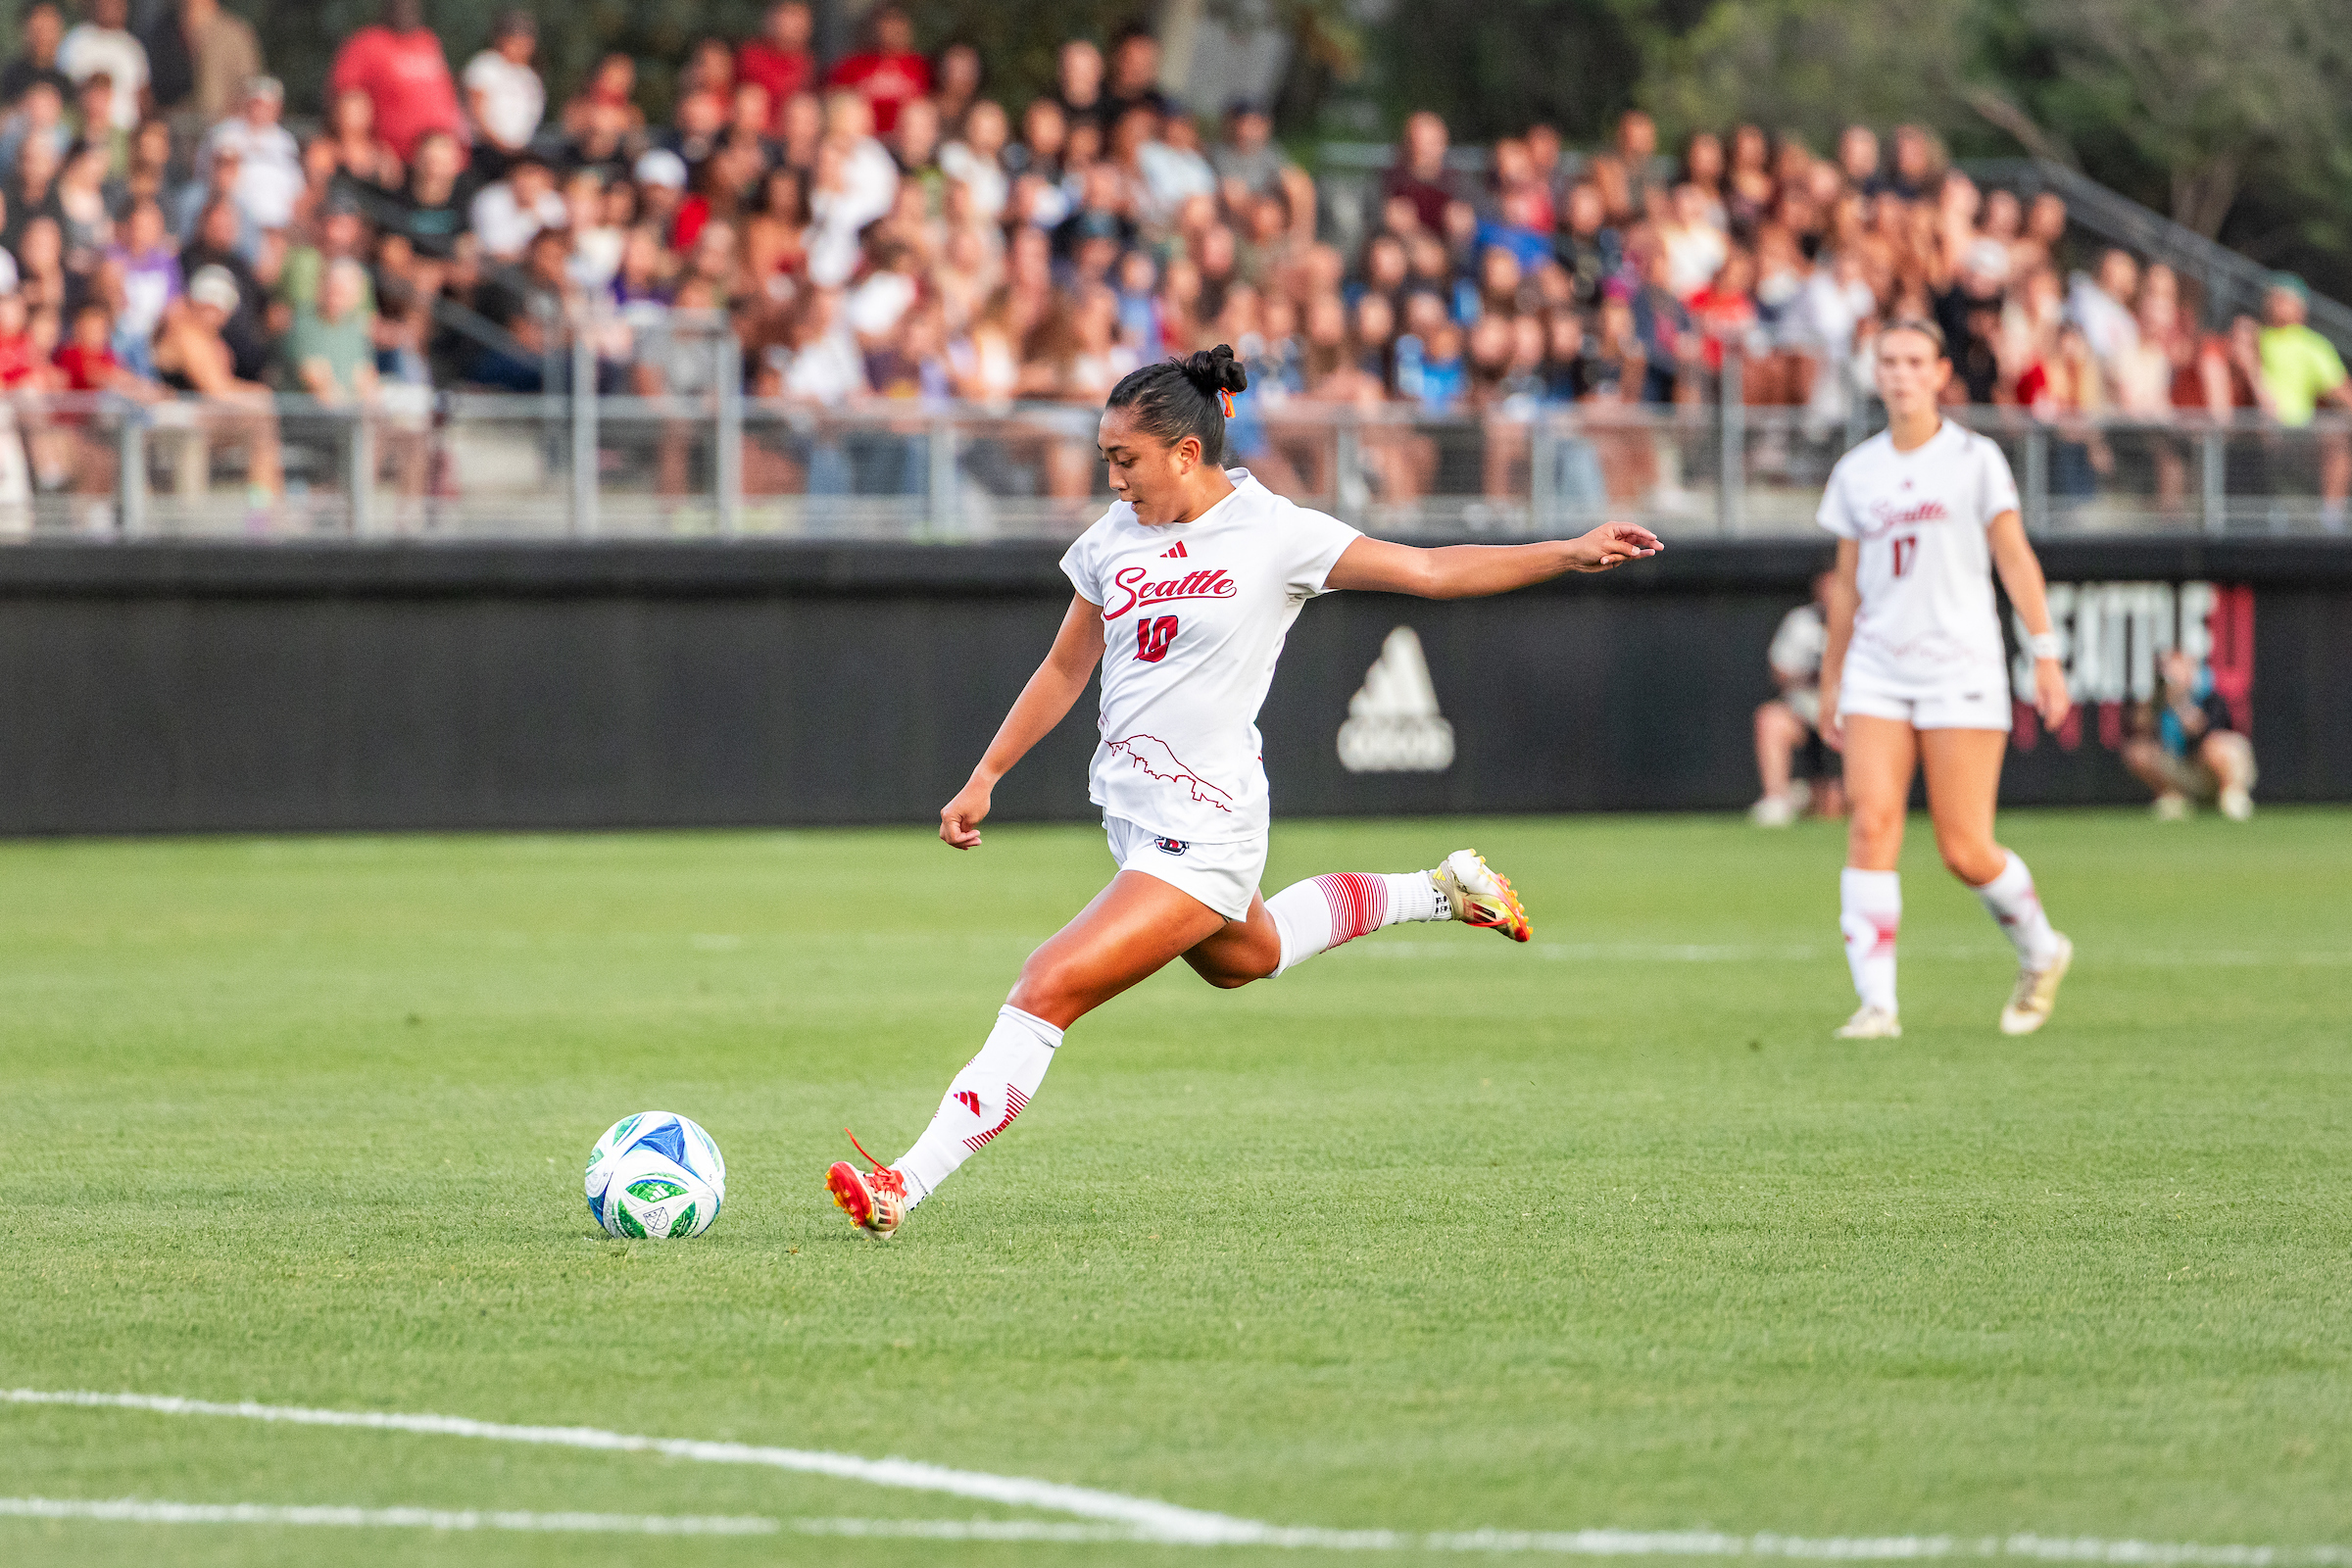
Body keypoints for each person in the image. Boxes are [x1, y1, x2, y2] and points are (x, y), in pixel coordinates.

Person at [820, 344, 1664, 1238]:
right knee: (1246, 959)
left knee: (1046, 987)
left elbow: (1428, 570)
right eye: (1107, 458)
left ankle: (901, 1186)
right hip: (1136, 825)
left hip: (1209, 826)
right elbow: (1066, 667)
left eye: (1124, 460)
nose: (1112, 479)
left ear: (1185, 454)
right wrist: (986, 774)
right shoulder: (1110, 543)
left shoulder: (1275, 533)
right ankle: (1441, 890)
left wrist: (1567, 551)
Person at [1816, 318, 2074, 1041]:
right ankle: (1877, 1005)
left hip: (1961, 666)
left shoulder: (1974, 459)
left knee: (1964, 848)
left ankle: (2041, 950)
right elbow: (1846, 585)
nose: (1900, 374)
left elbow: (2014, 558)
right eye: (1888, 361)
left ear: (1939, 374)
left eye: (1914, 361)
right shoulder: (1857, 471)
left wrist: (2045, 652)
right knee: (1871, 825)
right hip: (1877, 668)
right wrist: (1832, 678)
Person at [2255, 275, 2352, 531]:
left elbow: (2341, 392)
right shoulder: (2253, 338)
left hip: (2299, 434)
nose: (2275, 303)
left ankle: (2330, 516)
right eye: (2273, 297)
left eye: (2283, 298)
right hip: (2257, 430)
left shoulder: (2311, 345)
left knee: (2336, 436)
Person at [1751, 568, 1845, 826]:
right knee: (1770, 719)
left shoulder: (1865, 620)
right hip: (1806, 711)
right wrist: (1811, 675)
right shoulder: (1801, 622)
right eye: (1827, 587)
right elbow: (1779, 671)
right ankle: (1778, 799)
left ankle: (1808, 795)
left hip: (1847, 718)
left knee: (1833, 811)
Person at [2124, 648, 2256, 821]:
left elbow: (2207, 733)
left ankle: (2233, 794)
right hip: (2182, 770)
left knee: (2218, 746)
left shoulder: (2209, 695)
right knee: (2138, 752)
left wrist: (2181, 705)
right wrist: (2153, 705)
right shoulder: (2156, 699)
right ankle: (2175, 797)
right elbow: (2139, 729)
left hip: (2211, 772)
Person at [327, 0, 465, 166]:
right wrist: (365, 149)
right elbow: (348, 103)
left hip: (443, 158)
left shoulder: (427, 41)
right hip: (395, 161)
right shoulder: (367, 43)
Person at [462, 11, 544, 181]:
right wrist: (503, 146)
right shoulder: (486, 66)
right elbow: (476, 113)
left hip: (518, 154)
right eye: (515, 40)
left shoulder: (529, 76)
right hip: (486, 151)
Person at [58, 0, 148, 133]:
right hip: (82, 131)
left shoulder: (131, 47)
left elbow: (143, 96)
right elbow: (63, 89)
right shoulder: (75, 41)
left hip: (124, 132)